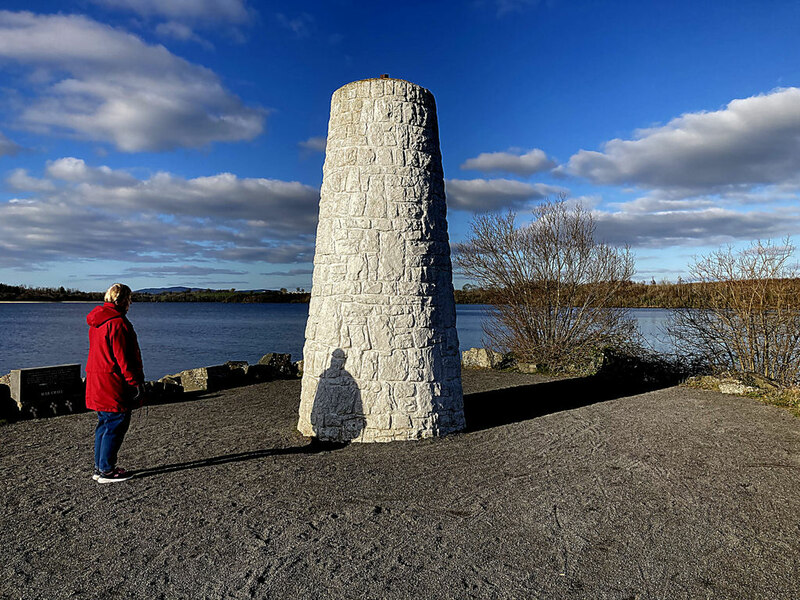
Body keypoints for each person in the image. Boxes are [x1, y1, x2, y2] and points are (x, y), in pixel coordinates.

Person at [85, 283, 145, 484]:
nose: (130, 304)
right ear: (121, 301)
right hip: (113, 381)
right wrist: (135, 382)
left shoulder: (98, 322)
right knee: (116, 424)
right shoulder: (118, 323)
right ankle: (107, 471)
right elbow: (123, 358)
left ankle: (100, 467)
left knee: (104, 424)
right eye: (129, 300)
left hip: (97, 379)